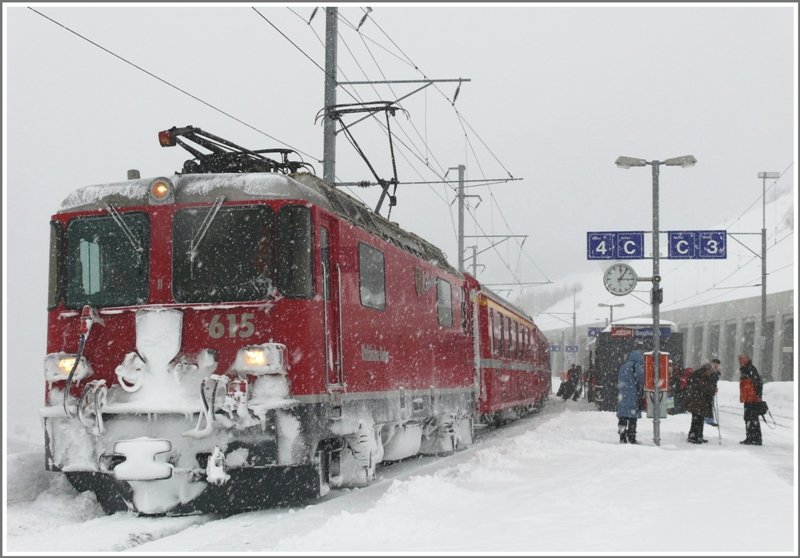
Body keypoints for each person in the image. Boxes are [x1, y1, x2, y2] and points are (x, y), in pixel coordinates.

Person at [684, 362, 717, 444]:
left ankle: (696, 436)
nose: (710, 373)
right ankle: (696, 437)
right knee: (698, 419)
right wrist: (713, 390)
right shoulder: (701, 375)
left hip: (697, 401)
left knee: (697, 419)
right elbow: (704, 387)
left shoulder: (698, 374)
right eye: (710, 371)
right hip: (698, 401)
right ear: (707, 370)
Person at [616, 350, 644, 444]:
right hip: (632, 394)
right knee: (632, 417)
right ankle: (631, 437)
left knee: (623, 416)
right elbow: (641, 378)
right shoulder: (636, 366)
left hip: (622, 395)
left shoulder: (623, 366)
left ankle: (622, 436)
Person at [738, 354, 764, 446]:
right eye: (739, 360)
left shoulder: (750, 369)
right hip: (748, 398)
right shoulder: (745, 370)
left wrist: (759, 395)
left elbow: (759, 383)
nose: (740, 361)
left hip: (752, 399)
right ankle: (750, 437)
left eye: (741, 359)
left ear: (746, 360)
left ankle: (755, 438)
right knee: (748, 418)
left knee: (752, 418)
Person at [704, 358, 722, 426]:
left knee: (710, 405)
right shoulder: (709, 370)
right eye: (716, 364)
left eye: (718, 364)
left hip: (711, 390)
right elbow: (711, 380)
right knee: (708, 405)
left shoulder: (715, 371)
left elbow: (714, 381)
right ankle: (708, 419)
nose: (717, 366)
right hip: (707, 390)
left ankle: (709, 419)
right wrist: (717, 373)